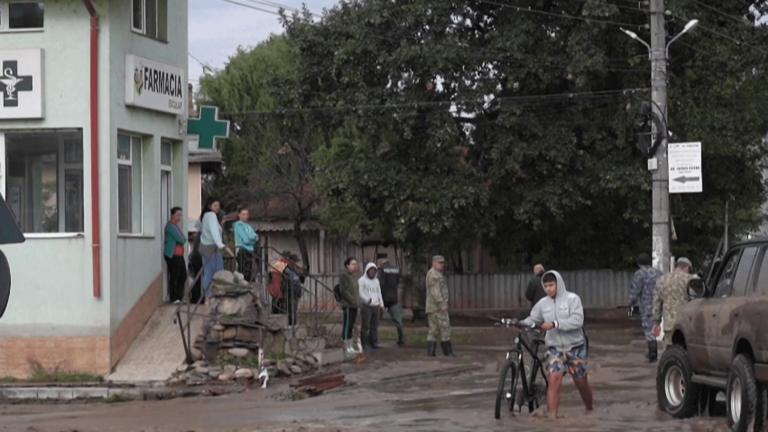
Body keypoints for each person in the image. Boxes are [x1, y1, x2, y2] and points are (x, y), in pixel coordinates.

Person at [519, 271, 593, 419]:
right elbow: (532, 319)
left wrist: (555, 324)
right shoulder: (542, 303)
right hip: (554, 348)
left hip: (575, 347)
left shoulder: (572, 299)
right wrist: (518, 323)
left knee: (580, 381)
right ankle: (552, 419)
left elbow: (578, 321)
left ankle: (589, 410)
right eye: (545, 286)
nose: (548, 289)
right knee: (554, 379)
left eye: (551, 285)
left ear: (558, 284)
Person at [653, 257, 697, 347]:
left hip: (669, 325)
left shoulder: (661, 280)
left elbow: (656, 304)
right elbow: (698, 301)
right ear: (687, 268)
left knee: (670, 350)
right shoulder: (692, 280)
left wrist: (656, 323)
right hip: (688, 324)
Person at [629, 253, 663, 362]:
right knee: (659, 326)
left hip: (647, 305)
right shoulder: (659, 273)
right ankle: (659, 350)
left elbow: (636, 290)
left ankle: (652, 353)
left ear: (639, 263)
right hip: (660, 304)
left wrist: (631, 302)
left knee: (649, 328)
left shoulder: (639, 274)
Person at [199, 197, 233, 300]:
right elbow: (215, 234)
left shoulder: (205, 216)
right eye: (215, 205)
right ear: (209, 206)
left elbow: (198, 226)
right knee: (218, 273)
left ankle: (208, 297)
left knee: (208, 272)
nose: (217, 207)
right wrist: (225, 247)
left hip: (205, 247)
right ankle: (217, 296)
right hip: (211, 248)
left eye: (218, 205)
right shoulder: (211, 215)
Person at [426, 255, 454, 357]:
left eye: (442, 263)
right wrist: (441, 303)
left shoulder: (436, 274)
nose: (441, 265)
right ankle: (448, 352)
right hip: (436, 307)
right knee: (444, 327)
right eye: (439, 263)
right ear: (433, 263)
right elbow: (435, 291)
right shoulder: (433, 275)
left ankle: (431, 352)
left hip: (433, 307)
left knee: (434, 330)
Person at [268, 251, 304, 326]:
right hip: (283, 290)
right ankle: (289, 324)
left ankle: (292, 323)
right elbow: (276, 279)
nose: (294, 262)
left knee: (292, 308)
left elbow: (301, 279)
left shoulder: (293, 267)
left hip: (293, 290)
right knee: (284, 308)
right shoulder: (280, 265)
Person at [377, 253, 405, 347]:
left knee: (376, 320)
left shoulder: (381, 269)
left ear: (380, 260)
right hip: (394, 298)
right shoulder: (395, 268)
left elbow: (380, 285)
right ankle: (401, 339)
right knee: (398, 320)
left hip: (383, 299)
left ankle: (373, 340)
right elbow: (397, 282)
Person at [163, 207, 187, 304]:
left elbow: (183, 238)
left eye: (180, 215)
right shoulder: (170, 226)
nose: (179, 217)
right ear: (172, 215)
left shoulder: (176, 227)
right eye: (177, 215)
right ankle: (173, 297)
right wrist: (182, 237)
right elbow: (181, 239)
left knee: (183, 275)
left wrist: (183, 237)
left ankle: (180, 296)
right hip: (173, 254)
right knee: (175, 276)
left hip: (179, 254)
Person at [339, 257, 361, 359]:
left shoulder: (354, 277)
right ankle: (346, 346)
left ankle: (351, 345)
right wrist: (351, 300)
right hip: (347, 304)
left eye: (356, 264)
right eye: (353, 264)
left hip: (354, 305)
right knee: (347, 325)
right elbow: (343, 290)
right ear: (347, 265)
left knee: (352, 325)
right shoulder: (344, 275)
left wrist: (357, 301)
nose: (355, 266)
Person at [358, 263, 384, 350]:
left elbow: (379, 292)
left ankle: (374, 342)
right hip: (366, 306)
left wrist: (381, 304)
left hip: (376, 306)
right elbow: (360, 292)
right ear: (367, 270)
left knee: (374, 326)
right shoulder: (361, 280)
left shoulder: (376, 281)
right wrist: (367, 300)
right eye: (371, 270)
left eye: (374, 270)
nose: (372, 272)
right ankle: (364, 343)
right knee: (365, 325)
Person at [233, 206, 259, 282]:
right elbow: (245, 239)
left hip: (250, 250)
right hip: (242, 250)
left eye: (247, 214)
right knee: (243, 271)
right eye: (243, 214)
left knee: (249, 271)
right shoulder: (238, 225)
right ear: (239, 214)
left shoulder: (248, 226)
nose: (245, 216)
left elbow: (256, 237)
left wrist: (251, 238)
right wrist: (251, 238)